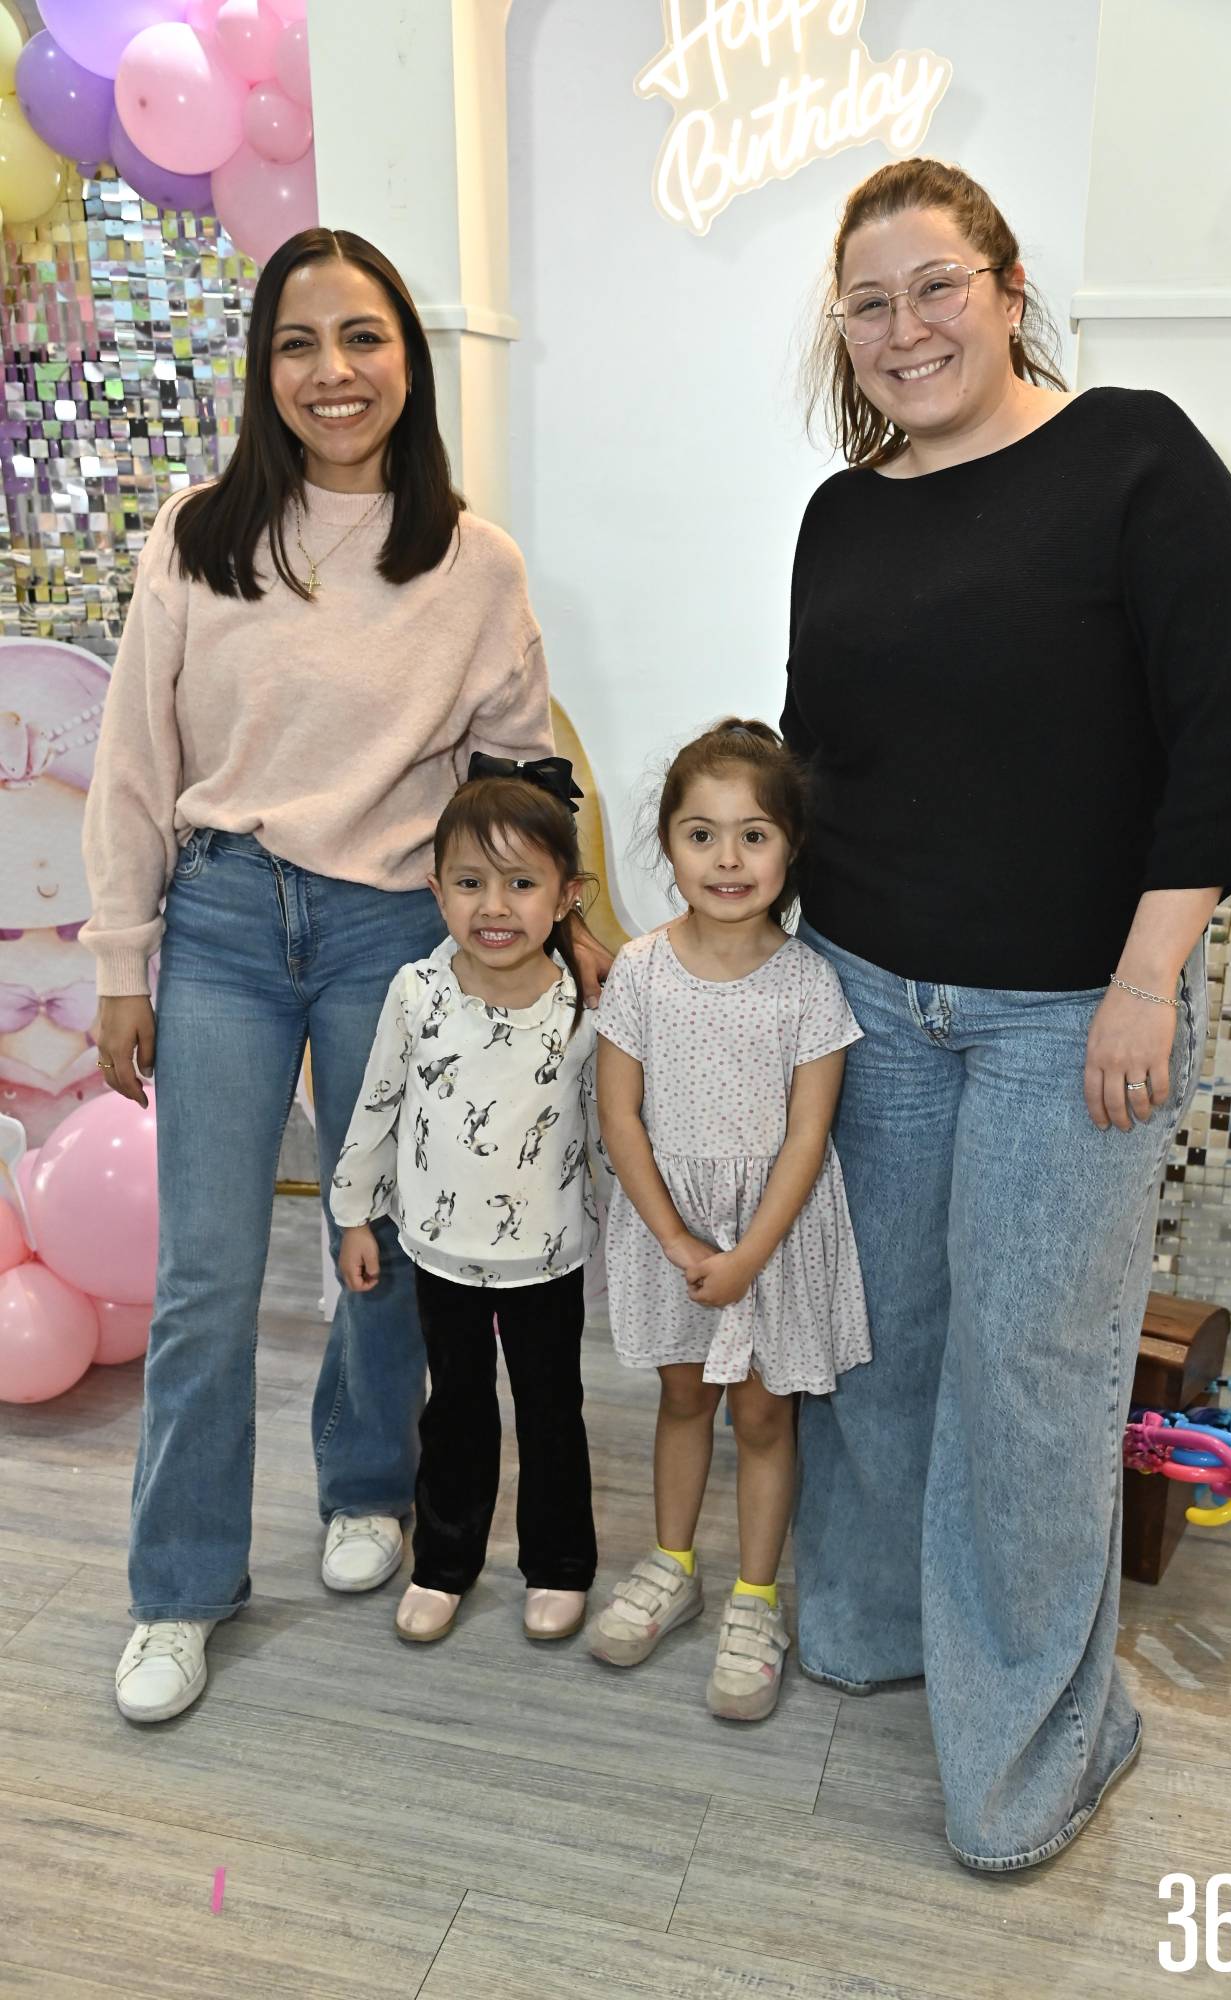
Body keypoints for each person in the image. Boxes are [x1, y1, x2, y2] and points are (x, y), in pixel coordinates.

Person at [784, 160, 1231, 1867]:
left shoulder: (1134, 457)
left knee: (1030, 1379)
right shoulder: (843, 512)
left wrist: (1148, 980)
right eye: (869, 301)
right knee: (887, 1344)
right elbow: (819, 761)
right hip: (865, 987)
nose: (904, 328)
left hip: (1072, 1012)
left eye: (934, 287)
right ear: (840, 331)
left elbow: (1221, 740)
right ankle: (890, 1625)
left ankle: (1038, 1746)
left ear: (1003, 286)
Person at [82, 226, 608, 1725]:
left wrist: (566, 925)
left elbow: (519, 764)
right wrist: (125, 960)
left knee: (388, 1240)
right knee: (205, 1279)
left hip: (394, 930)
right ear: (264, 368)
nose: (332, 372)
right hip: (228, 929)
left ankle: (366, 1487)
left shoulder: (466, 557)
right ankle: (177, 1588)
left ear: (407, 359)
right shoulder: (195, 536)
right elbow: (133, 765)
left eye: (362, 338)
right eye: (300, 343)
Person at [588, 720, 870, 1722]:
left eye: (752, 834)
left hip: (771, 1236)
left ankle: (755, 1599)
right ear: (666, 844)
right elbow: (617, 1113)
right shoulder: (641, 971)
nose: (726, 857)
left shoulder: (808, 983)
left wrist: (749, 1251)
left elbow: (807, 1133)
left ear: (789, 847)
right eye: (700, 834)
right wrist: (675, 1239)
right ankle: (671, 1564)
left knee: (759, 1411)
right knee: (678, 1398)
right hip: (672, 1225)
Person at [333, 762, 604, 1645]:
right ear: (434, 889)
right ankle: (445, 1562)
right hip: (438, 1251)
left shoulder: (584, 1002)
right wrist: (352, 1214)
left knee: (551, 1408)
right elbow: (376, 1103)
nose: (496, 905)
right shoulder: (417, 991)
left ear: (567, 895)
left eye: (522, 884)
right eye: (470, 882)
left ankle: (559, 1563)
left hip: (546, 1254)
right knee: (455, 1406)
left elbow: (612, 1126)